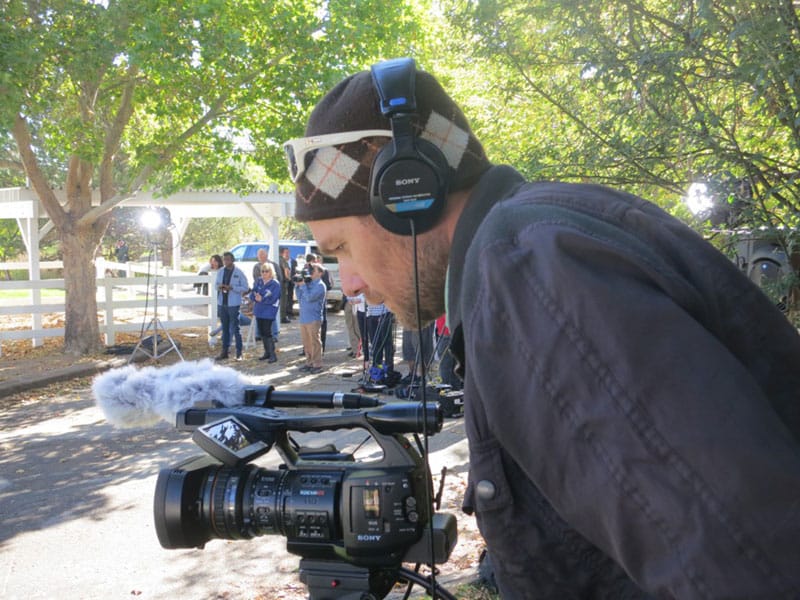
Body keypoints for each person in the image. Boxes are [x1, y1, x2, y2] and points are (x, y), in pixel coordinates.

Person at [284, 58, 800, 597]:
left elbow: (746, 568)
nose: (351, 283)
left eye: (339, 248)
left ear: (407, 196)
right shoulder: (535, 244)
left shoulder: (530, 277)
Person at [214, 251, 249, 361]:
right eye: (224, 259)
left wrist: (232, 288)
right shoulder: (220, 271)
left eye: (228, 259)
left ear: (232, 260)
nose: (226, 261)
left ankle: (239, 353)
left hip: (233, 304)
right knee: (224, 328)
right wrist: (220, 287)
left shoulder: (239, 272)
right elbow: (215, 285)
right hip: (222, 303)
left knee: (235, 328)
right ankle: (224, 351)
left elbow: (245, 287)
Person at [295, 263, 326, 374]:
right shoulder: (309, 283)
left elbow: (309, 298)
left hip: (313, 318)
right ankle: (309, 363)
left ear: (320, 273)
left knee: (314, 342)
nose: (312, 271)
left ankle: (317, 364)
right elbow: (299, 297)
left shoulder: (320, 285)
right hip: (304, 317)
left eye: (314, 269)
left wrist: (303, 285)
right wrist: (298, 285)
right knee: (306, 343)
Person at [250, 262, 280, 362]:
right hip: (259, 310)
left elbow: (274, 298)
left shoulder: (275, 284)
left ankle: (273, 355)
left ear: (271, 272)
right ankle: (267, 353)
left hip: (269, 311)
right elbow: (252, 293)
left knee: (267, 332)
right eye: (262, 271)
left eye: (266, 271)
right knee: (262, 332)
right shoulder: (258, 281)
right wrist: (255, 297)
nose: (264, 273)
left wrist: (261, 299)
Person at [279, 247, 293, 323]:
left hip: (276, 283)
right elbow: (286, 270)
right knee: (283, 300)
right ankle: (283, 317)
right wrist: (289, 278)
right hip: (282, 283)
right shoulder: (283, 260)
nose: (288, 254)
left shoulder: (274, 259)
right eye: (286, 252)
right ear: (282, 253)